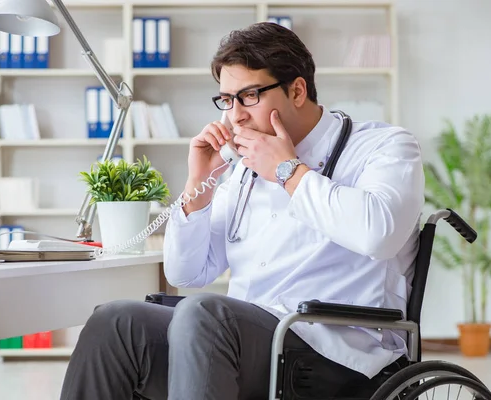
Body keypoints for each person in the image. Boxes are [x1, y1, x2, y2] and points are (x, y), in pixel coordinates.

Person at [60, 22, 425, 400]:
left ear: (297, 90)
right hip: (240, 339)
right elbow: (188, 271)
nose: (234, 115)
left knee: (205, 314)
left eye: (248, 96)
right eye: (226, 100)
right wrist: (197, 185)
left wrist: (287, 171)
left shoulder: (384, 146)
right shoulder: (242, 170)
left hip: (337, 349)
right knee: (115, 321)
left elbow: (379, 234)